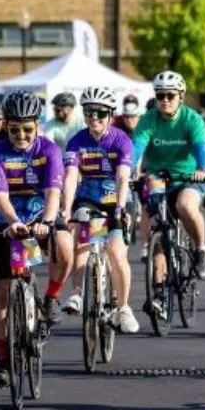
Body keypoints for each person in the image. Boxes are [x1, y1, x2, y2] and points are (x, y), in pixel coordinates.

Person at [0, 90, 73, 387]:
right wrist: (12, 222)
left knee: (64, 246)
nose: (21, 135)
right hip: (8, 220)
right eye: (14, 129)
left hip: (40, 215)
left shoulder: (49, 150)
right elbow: (0, 195)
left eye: (27, 129)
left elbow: (53, 193)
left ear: (38, 125)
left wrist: (47, 221)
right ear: (6, 125)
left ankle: (51, 297)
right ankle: (4, 360)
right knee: (5, 292)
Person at [131, 71, 205, 313]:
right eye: (160, 95)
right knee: (158, 226)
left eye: (170, 95)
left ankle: (200, 251)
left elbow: (200, 153)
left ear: (181, 96)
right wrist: (131, 170)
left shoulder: (191, 119)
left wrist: (201, 168)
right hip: (158, 177)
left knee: (185, 206)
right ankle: (158, 291)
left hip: (188, 178)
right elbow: (136, 149)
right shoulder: (148, 119)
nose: (165, 100)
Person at [61, 87, 139, 332]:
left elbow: (123, 176)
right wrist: (65, 210)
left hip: (117, 198)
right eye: (88, 112)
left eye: (100, 113)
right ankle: (77, 292)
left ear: (110, 114)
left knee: (116, 253)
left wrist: (119, 207)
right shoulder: (77, 141)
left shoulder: (121, 140)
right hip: (89, 199)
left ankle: (123, 307)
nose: (94, 118)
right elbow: (72, 176)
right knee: (81, 234)